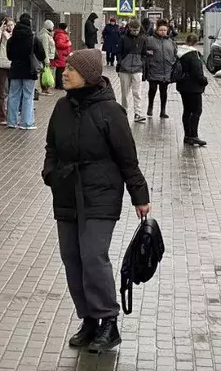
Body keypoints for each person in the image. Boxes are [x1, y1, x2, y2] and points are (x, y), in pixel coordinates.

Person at [43, 49, 151, 354]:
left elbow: (127, 158)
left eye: (71, 70)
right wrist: (50, 173)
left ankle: (108, 322)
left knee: (93, 256)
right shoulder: (62, 107)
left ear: (88, 76)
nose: (64, 73)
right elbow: (51, 146)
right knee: (71, 257)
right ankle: (88, 319)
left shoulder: (110, 111)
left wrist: (139, 196)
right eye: (65, 68)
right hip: (66, 191)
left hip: (100, 193)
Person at [6, 13, 47, 129]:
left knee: (13, 95)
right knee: (28, 96)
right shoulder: (33, 39)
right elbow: (41, 55)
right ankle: (26, 123)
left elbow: (9, 56)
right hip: (29, 71)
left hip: (15, 71)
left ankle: (11, 121)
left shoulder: (11, 40)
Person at [176, 34, 209, 146]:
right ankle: (193, 135)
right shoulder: (193, 55)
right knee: (196, 110)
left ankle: (187, 136)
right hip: (193, 88)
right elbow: (197, 73)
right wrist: (204, 81)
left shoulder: (180, 53)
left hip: (183, 86)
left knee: (187, 110)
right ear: (196, 42)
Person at [143, 19, 178, 120]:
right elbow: (144, 51)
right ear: (157, 30)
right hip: (153, 68)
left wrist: (172, 62)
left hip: (166, 70)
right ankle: (150, 107)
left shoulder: (171, 42)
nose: (163, 32)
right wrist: (149, 54)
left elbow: (175, 54)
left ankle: (163, 110)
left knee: (164, 91)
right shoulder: (150, 40)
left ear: (167, 31)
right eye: (161, 30)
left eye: (164, 30)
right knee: (152, 89)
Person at [116, 19, 147, 119]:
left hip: (137, 69)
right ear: (129, 28)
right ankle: (124, 111)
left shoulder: (142, 39)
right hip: (124, 69)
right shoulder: (123, 38)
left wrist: (141, 62)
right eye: (133, 30)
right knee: (125, 92)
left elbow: (144, 53)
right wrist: (121, 62)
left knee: (137, 92)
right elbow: (118, 52)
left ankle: (137, 113)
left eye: (137, 30)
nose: (135, 32)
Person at [52, 22, 72, 90]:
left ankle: (58, 85)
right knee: (60, 71)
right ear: (65, 28)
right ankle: (60, 85)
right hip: (61, 55)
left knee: (59, 70)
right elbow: (59, 44)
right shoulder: (61, 35)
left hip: (61, 54)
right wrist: (68, 44)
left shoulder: (60, 34)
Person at [38, 20, 56, 96]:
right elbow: (45, 48)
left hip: (49, 56)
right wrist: (46, 60)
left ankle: (46, 88)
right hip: (47, 57)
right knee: (46, 73)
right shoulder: (45, 36)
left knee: (47, 73)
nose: (53, 28)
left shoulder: (47, 35)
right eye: (52, 26)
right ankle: (45, 89)